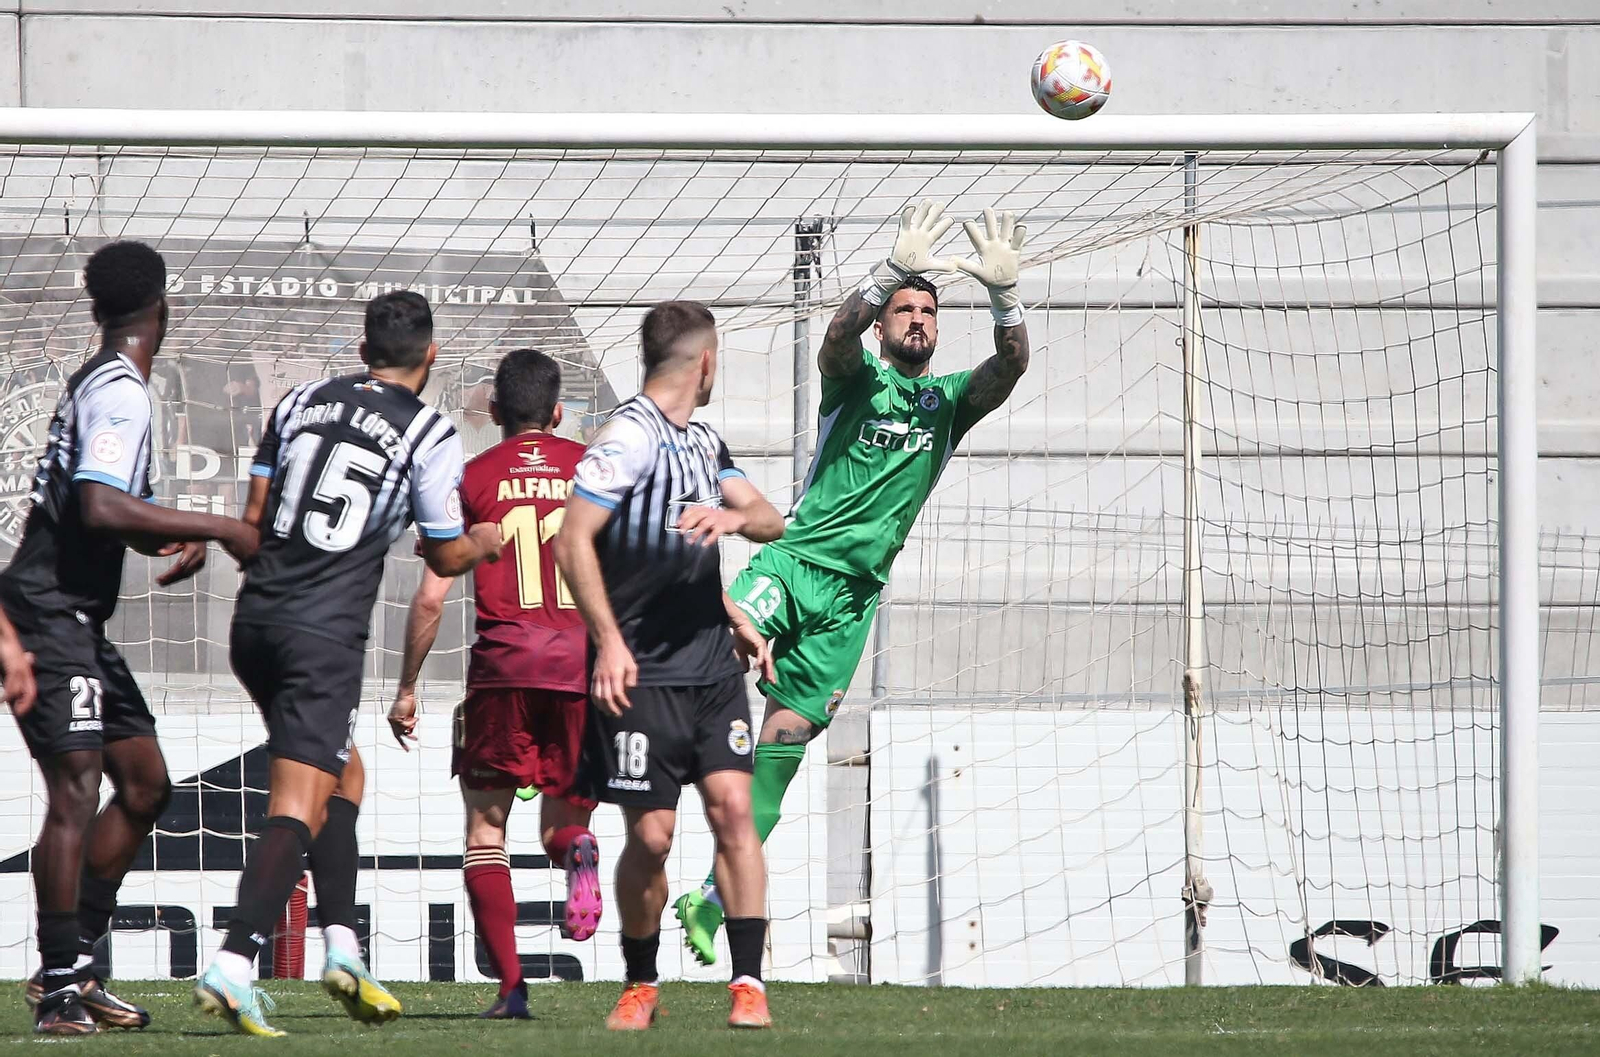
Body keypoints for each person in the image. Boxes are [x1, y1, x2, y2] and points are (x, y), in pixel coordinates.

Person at [674, 201, 1032, 963]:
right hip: (796, 565)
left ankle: (708, 897)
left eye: (928, 309)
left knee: (787, 740)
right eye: (905, 307)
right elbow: (835, 337)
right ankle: (581, 733)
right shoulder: (856, 377)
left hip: (851, 605)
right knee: (711, 642)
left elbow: (1010, 369)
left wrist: (1007, 301)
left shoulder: (946, 405)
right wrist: (887, 272)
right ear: (884, 325)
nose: (917, 317)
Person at [193, 291, 502, 1037]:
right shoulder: (429, 431)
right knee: (298, 800)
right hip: (320, 637)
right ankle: (234, 964)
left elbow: (256, 511)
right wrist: (485, 543)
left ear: (361, 350)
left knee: (344, 773)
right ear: (431, 356)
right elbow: (441, 550)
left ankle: (343, 948)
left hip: (255, 621)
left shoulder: (300, 400)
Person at [0, 240, 260, 1035]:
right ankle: (59, 990)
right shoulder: (122, 391)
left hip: (77, 617)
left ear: (96, 309)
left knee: (146, 785)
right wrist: (219, 525)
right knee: (76, 789)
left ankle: (73, 963)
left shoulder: (107, 382)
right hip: (47, 612)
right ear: (163, 309)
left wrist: (165, 537)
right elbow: (100, 508)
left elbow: (110, 508)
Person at [555, 301, 785, 1031]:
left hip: (713, 671)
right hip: (641, 675)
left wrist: (731, 549)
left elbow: (772, 517)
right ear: (705, 361)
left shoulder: (704, 442)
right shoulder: (629, 437)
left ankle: (748, 983)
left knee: (734, 811)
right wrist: (610, 640)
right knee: (651, 837)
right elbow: (573, 540)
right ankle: (640, 982)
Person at [388, 347, 600, 1020]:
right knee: (560, 825)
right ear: (559, 411)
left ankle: (511, 989)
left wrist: (408, 688)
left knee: (486, 832)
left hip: (502, 670)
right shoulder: (591, 471)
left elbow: (428, 599)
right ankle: (579, 851)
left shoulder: (471, 476)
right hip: (579, 672)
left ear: (493, 409)